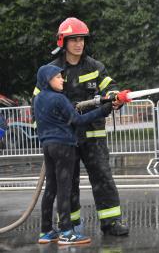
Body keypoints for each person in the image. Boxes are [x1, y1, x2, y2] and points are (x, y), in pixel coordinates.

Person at [32, 17, 129, 235]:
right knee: (67, 183)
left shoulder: (95, 67)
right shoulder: (51, 71)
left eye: (82, 39)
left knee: (103, 178)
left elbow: (110, 87)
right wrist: (48, 134)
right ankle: (70, 225)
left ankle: (111, 222)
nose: (79, 43)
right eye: (74, 39)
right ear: (63, 42)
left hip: (93, 136)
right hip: (65, 139)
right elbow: (37, 104)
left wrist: (114, 97)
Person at [34, 64, 113, 244]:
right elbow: (77, 120)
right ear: (47, 79)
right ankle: (67, 233)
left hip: (48, 146)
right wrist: (102, 111)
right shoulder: (59, 99)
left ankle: (46, 231)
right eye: (58, 77)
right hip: (64, 146)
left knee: (51, 188)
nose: (62, 79)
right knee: (64, 189)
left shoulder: (38, 99)